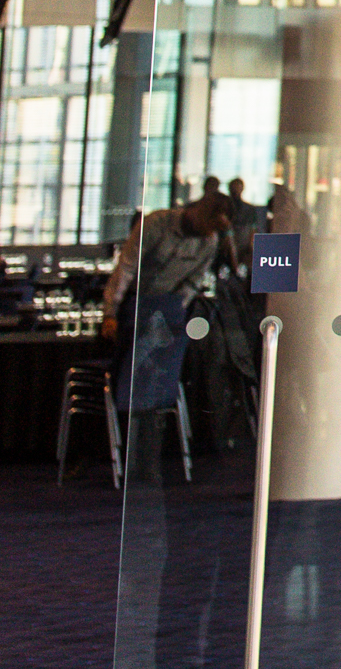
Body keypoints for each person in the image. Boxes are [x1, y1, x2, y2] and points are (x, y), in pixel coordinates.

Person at [104, 189, 229, 480]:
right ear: (198, 212)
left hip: (166, 312)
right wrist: (110, 312)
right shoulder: (157, 224)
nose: (209, 233)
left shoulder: (209, 241)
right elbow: (126, 267)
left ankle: (147, 463)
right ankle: (121, 458)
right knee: (126, 382)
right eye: (209, 225)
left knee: (157, 387)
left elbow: (192, 282)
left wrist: (173, 312)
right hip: (131, 306)